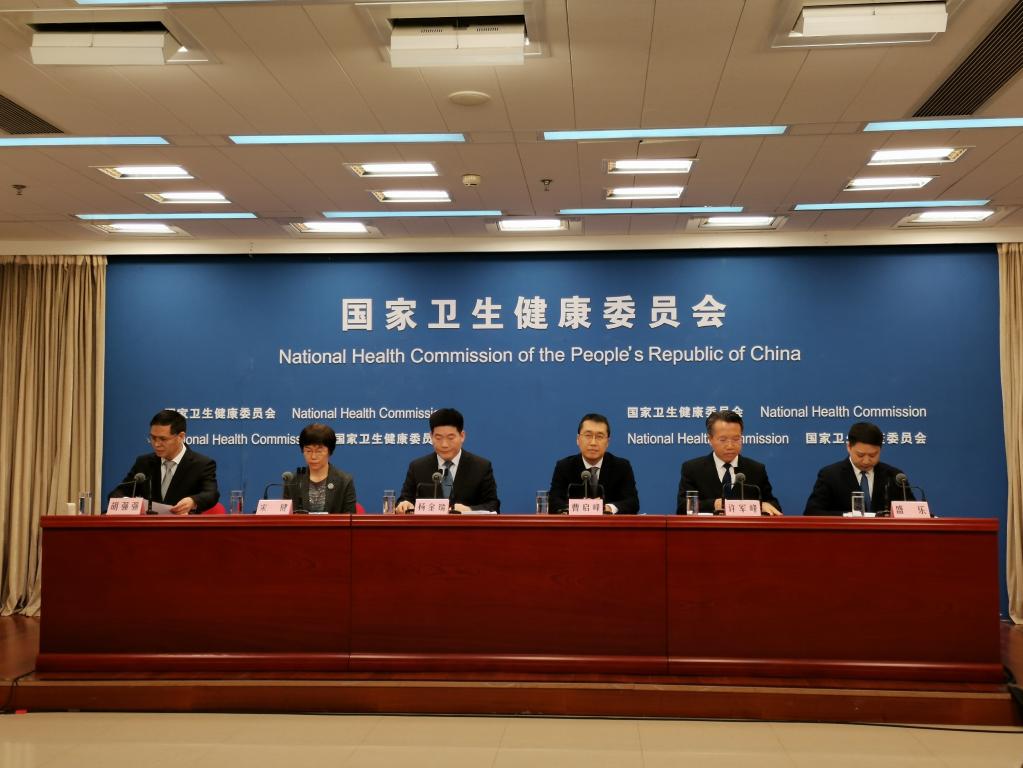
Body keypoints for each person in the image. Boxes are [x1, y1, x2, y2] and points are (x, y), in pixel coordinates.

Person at [109, 409, 219, 515]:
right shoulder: (144, 463)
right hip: (149, 526)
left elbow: (211, 494)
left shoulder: (201, 464)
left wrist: (193, 501)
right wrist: (128, 502)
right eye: (153, 438)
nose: (156, 444)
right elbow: (118, 493)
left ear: (181, 437)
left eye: (163, 439)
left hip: (183, 525)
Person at [677, 410, 782, 515]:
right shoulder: (693, 469)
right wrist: (714, 504)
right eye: (723, 440)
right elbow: (682, 507)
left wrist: (761, 505)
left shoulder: (756, 469)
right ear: (710, 439)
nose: (730, 446)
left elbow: (774, 505)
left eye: (736, 439)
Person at [396, 408, 500, 513]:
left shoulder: (481, 467)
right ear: (431, 436)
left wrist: (468, 510)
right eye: (438, 438)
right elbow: (404, 500)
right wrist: (404, 504)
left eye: (450, 438)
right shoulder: (417, 467)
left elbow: (493, 506)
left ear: (462, 436)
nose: (444, 444)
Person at [803, 421, 913, 516]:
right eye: (860, 455)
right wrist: (848, 516)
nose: (866, 461)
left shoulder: (894, 476)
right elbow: (812, 512)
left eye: (873, 455)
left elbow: (913, 513)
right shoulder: (830, 475)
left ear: (880, 449)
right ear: (848, 447)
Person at [548, 413, 639, 514]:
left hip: (608, 524)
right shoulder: (564, 466)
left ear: (608, 442)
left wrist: (606, 508)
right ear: (578, 439)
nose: (593, 443)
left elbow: (632, 503)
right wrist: (580, 507)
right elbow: (553, 502)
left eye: (599, 436)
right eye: (588, 435)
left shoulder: (621, 467)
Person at [284, 423, 357, 514]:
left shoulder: (344, 481)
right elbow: (286, 516)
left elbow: (349, 517)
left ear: (329, 451)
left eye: (319, 451)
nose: (313, 456)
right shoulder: (292, 480)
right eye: (308, 451)